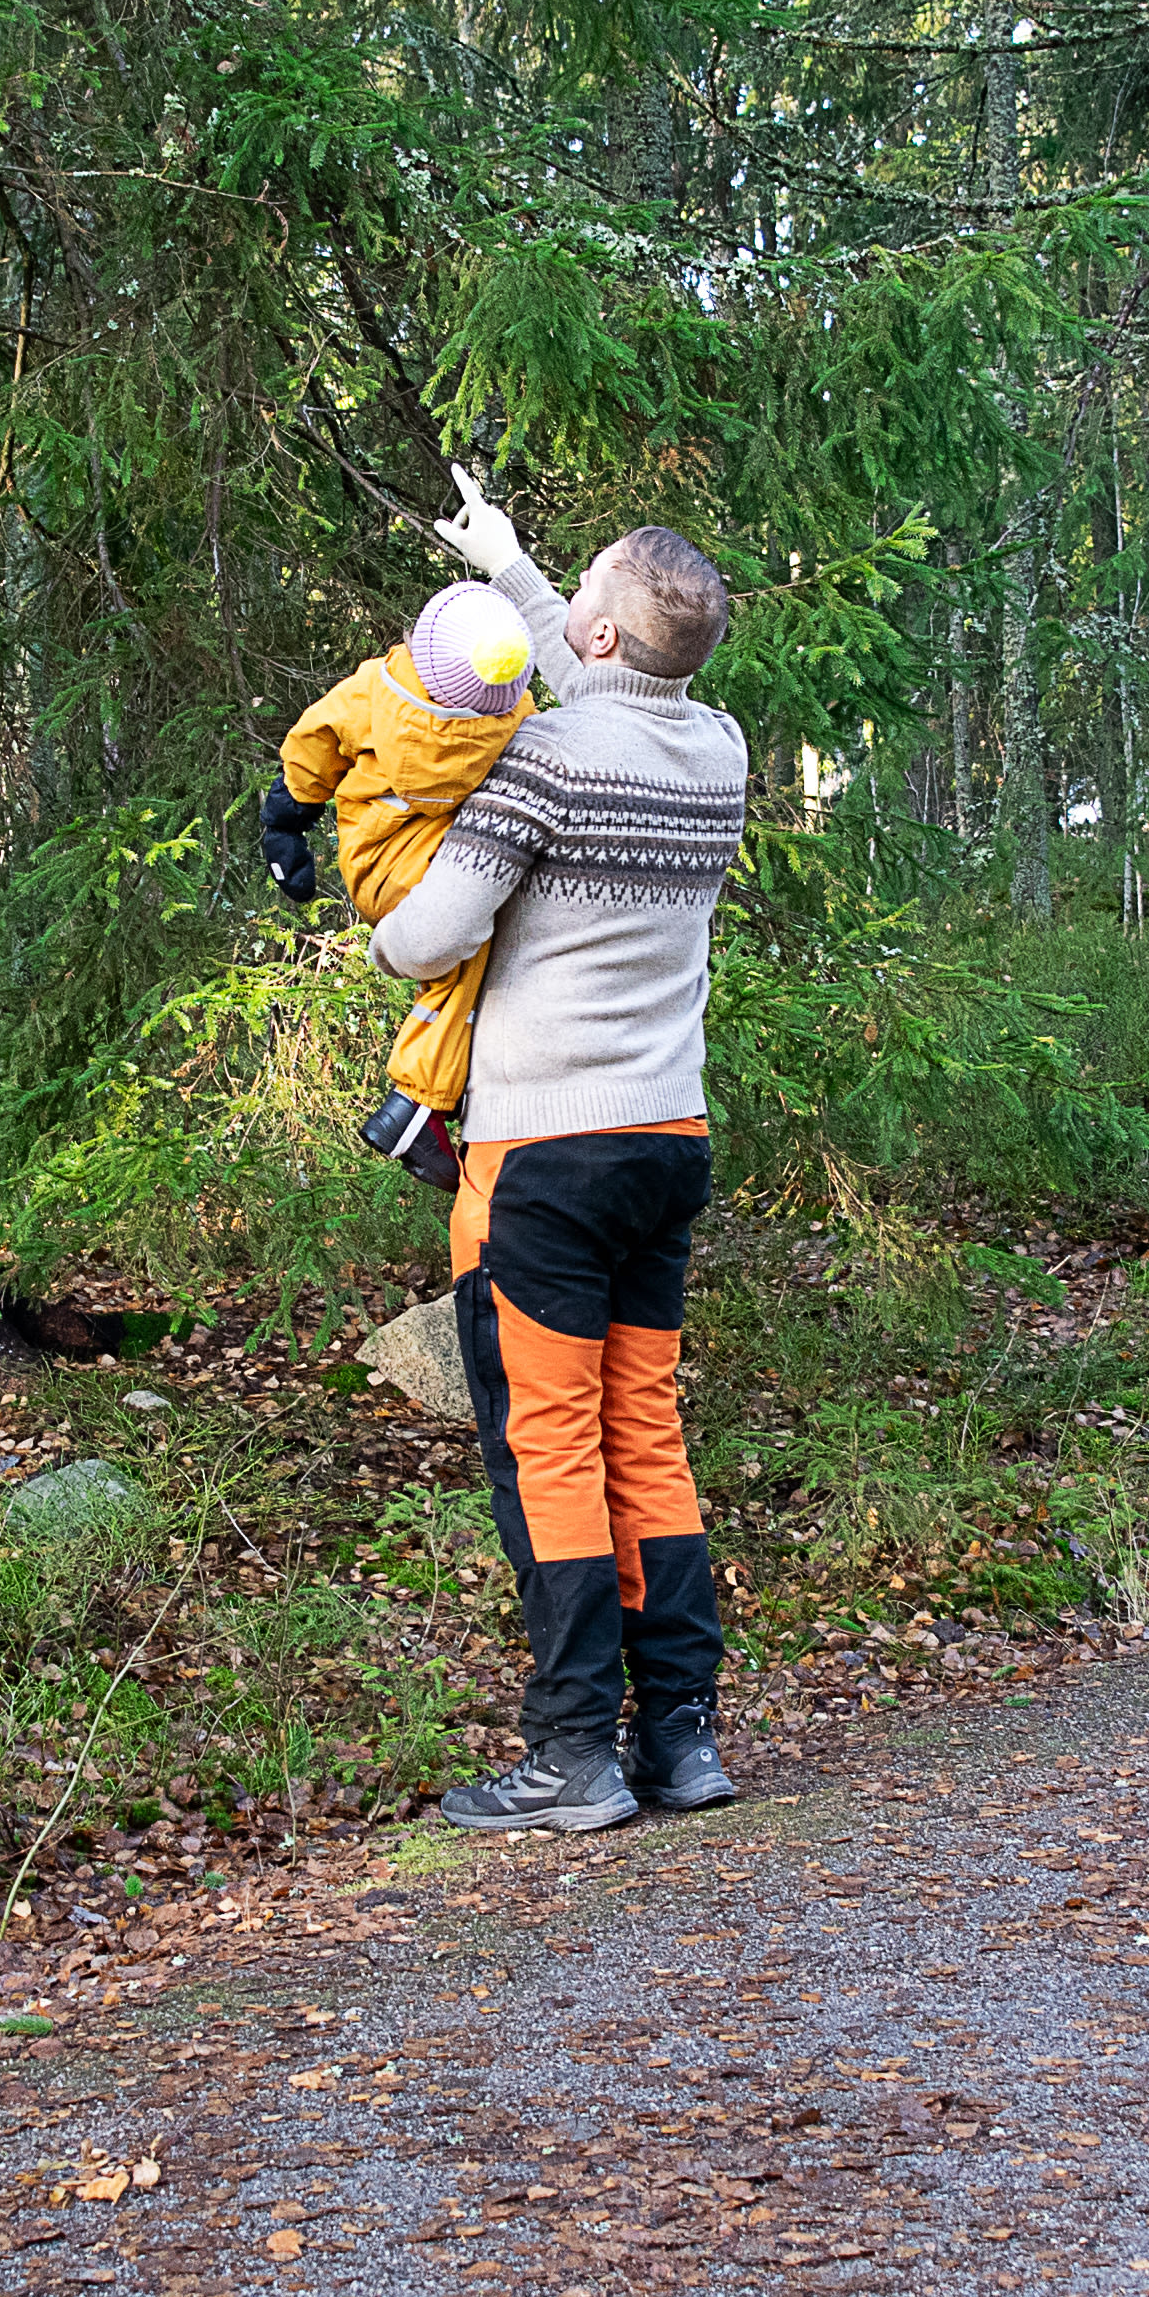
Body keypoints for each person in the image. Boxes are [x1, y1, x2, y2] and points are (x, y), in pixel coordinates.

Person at [367, 469, 756, 1835]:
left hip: (543, 1157)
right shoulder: (716, 747)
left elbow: (426, 936)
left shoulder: (546, 757)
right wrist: (516, 561)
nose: (559, 607)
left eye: (573, 592)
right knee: (643, 1431)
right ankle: (683, 1742)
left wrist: (379, 924)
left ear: (590, 639)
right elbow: (602, 685)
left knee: (548, 1451)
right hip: (666, 1140)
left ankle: (574, 1754)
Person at [254, 582, 542, 1192]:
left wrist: (286, 823)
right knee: (466, 952)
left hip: (377, 865)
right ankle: (417, 1101)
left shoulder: (375, 690)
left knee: (476, 944)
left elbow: (314, 744)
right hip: (432, 871)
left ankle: (442, 1092)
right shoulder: (513, 718)